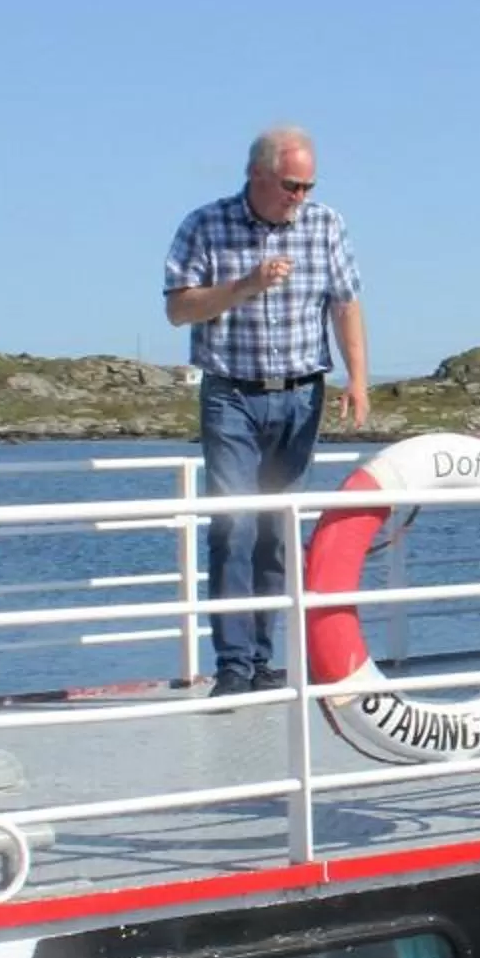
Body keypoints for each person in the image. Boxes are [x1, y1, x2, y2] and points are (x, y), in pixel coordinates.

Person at [163, 125, 370, 696]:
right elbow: (178, 309)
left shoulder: (325, 225)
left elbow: (346, 304)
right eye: (290, 185)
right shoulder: (205, 225)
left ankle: (261, 659)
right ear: (257, 174)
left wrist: (358, 379)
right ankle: (233, 665)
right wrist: (244, 286)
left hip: (302, 393)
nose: (299, 197)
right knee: (234, 524)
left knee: (277, 529)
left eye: (308, 186)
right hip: (232, 392)